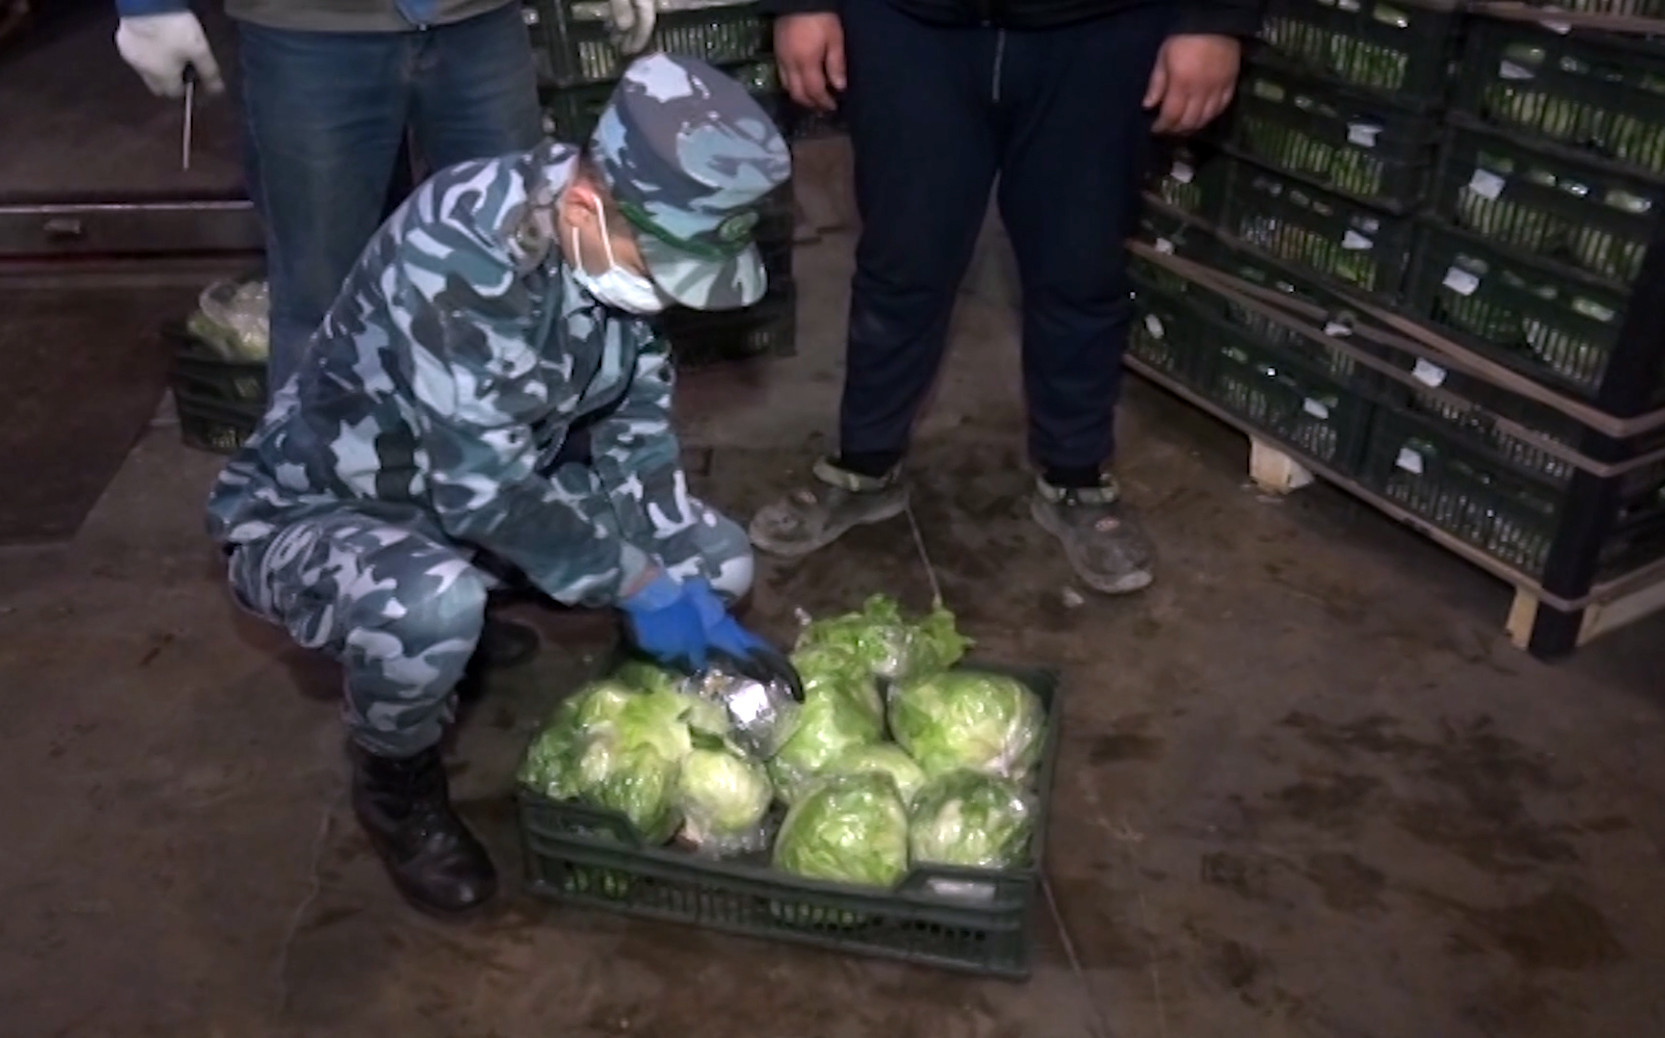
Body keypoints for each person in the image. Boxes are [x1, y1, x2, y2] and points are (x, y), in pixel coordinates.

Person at [205, 54, 795, 914]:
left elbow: (635, 435)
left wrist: (679, 579)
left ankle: (633, 702)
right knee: (429, 610)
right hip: (329, 506)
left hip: (481, 493)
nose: (668, 296)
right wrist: (638, 584)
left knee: (716, 559)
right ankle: (394, 783)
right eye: (663, 271)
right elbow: (483, 494)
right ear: (587, 209)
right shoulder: (460, 253)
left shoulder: (623, 240)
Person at [754, 0, 1256, 593]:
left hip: (1102, 32)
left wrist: (1214, 19)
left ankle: (1076, 476)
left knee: (1080, 262)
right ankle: (865, 464)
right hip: (907, 27)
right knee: (904, 256)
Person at [111, 0, 657, 396]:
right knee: (320, 297)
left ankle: (519, 502)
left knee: (521, 273)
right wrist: (146, 6)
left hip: (478, 23)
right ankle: (316, 519)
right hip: (308, 29)